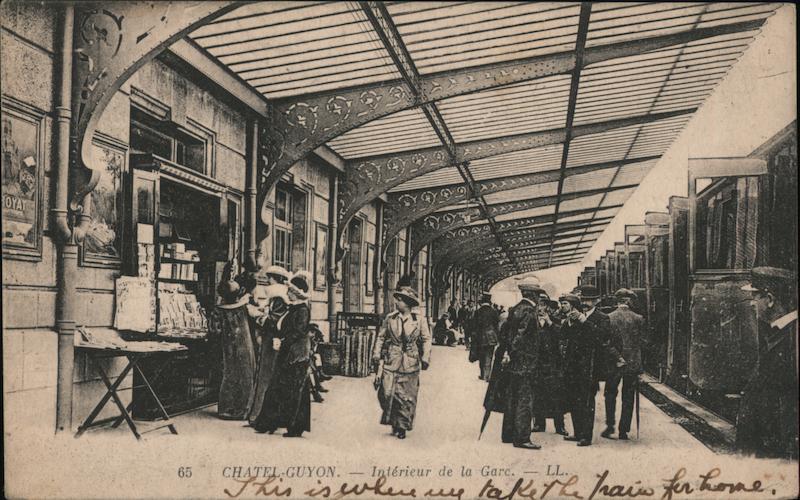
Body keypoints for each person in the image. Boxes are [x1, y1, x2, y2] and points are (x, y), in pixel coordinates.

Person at [737, 267, 798, 459]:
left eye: (755, 297)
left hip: (781, 450)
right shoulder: (778, 332)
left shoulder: (792, 336)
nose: (752, 304)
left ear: (770, 299)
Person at [561, 288, 624, 447]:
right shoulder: (575, 316)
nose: (585, 303)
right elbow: (566, 336)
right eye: (583, 299)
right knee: (574, 399)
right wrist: (569, 322)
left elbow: (601, 338)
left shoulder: (602, 318)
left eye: (589, 300)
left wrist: (584, 321)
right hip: (574, 365)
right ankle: (577, 432)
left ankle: (586, 436)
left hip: (591, 366)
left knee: (587, 401)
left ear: (596, 301)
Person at [252, 271, 313, 437]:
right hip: (288, 352)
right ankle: (268, 423)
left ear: (297, 293)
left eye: (290, 292)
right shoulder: (294, 308)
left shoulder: (302, 310)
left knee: (294, 392)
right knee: (278, 388)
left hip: (296, 355)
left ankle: (294, 427)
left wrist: (282, 341)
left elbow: (298, 332)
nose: (287, 294)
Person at [372, 284, 432, 439]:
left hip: (410, 361)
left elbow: (426, 339)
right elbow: (380, 337)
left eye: (399, 300)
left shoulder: (419, 320)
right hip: (392, 359)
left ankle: (402, 426)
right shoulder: (390, 318)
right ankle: (393, 420)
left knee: (406, 396)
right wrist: (376, 354)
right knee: (386, 392)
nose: (396, 303)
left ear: (407, 302)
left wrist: (425, 357)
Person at [499, 281, 543, 450]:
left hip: (513, 364)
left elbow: (505, 333)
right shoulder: (530, 312)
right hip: (525, 363)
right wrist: (513, 352)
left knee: (512, 399)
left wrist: (507, 353)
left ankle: (508, 434)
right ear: (533, 295)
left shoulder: (514, 309)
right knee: (525, 400)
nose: (539, 299)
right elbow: (521, 335)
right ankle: (522, 438)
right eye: (538, 295)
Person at [211, 262, 256, 420]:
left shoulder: (219, 310)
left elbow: (214, 330)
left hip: (228, 345)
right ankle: (242, 409)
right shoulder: (243, 308)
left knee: (229, 374)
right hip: (244, 344)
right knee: (246, 373)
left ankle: (225, 408)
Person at [605, 288, 644, 440]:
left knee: (610, 394)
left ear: (617, 301)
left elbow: (606, 343)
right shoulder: (638, 318)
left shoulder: (609, 318)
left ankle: (610, 426)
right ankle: (623, 430)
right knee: (628, 396)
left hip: (614, 363)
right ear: (628, 301)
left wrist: (617, 357)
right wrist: (639, 367)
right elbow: (642, 344)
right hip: (632, 364)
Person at [533, 292, 567, 436]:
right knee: (538, 394)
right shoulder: (531, 320)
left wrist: (550, 323)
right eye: (538, 305)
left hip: (553, 363)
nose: (540, 308)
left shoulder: (556, 320)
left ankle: (560, 426)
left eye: (542, 305)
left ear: (547, 307)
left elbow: (562, 335)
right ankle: (539, 424)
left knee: (556, 396)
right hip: (537, 363)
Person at [472, 292, 500, 381]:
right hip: (491, 337)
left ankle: (482, 374)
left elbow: (474, 325)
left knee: (481, 356)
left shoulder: (478, 312)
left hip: (480, 337)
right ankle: (487, 376)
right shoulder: (494, 312)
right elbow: (496, 325)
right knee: (489, 356)